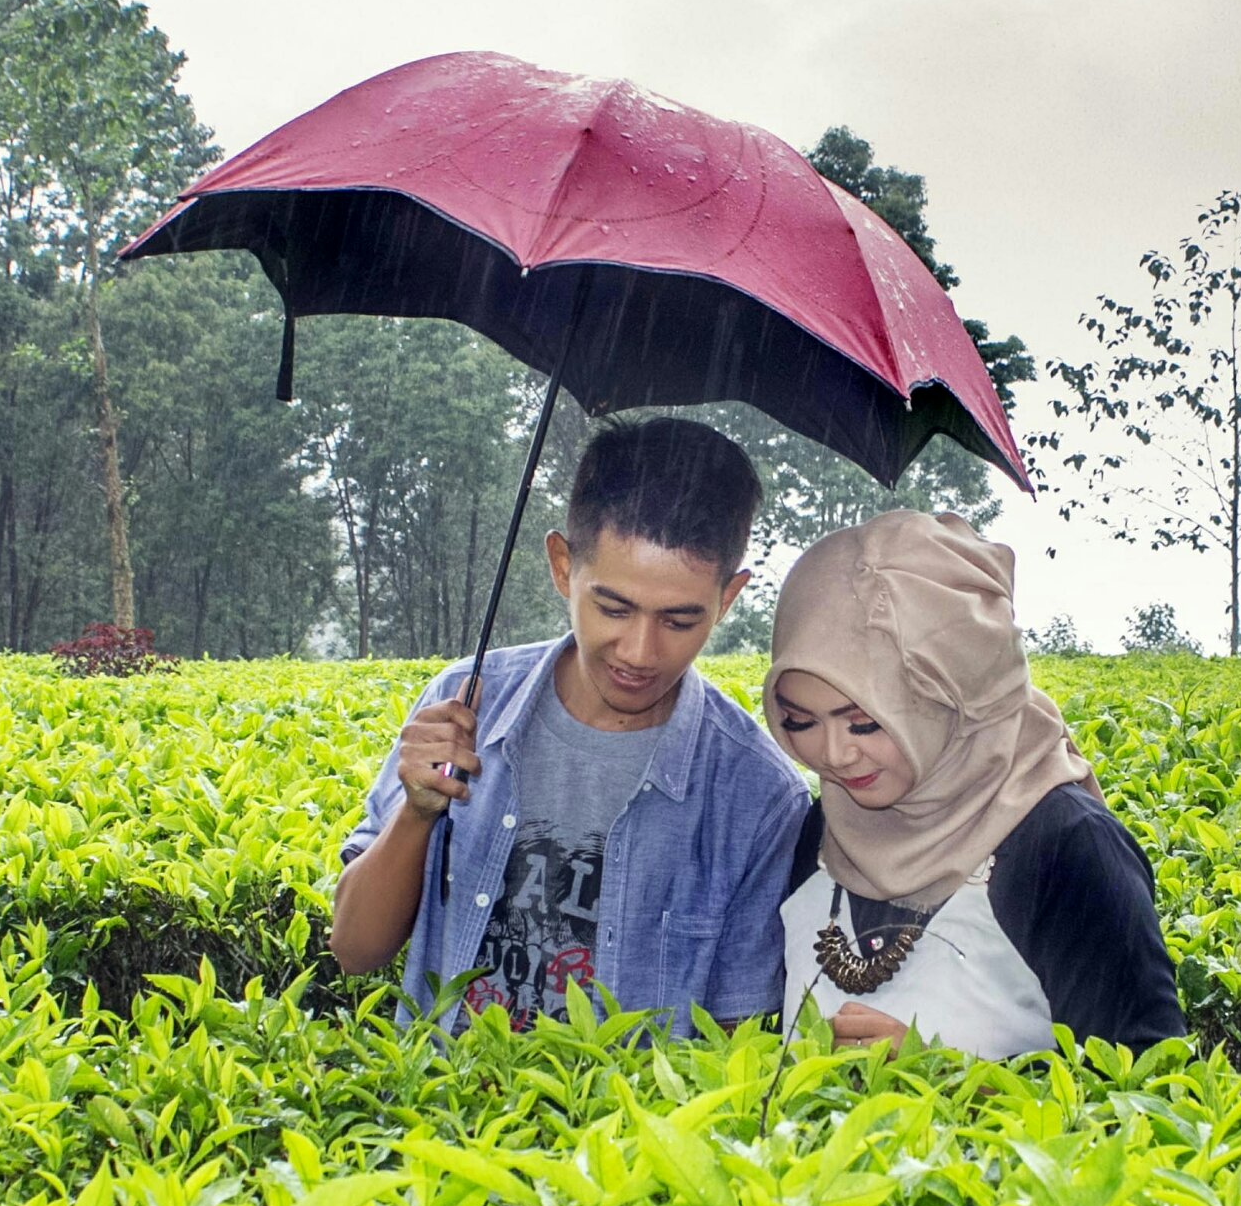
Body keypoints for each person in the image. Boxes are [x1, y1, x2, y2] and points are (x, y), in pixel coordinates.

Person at [331, 417, 806, 1035]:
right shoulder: (466, 703)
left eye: (679, 621)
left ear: (729, 598)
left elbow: (734, 1043)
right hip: (437, 1121)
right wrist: (417, 813)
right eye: (613, 607)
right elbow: (354, 950)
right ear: (562, 566)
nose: (638, 651)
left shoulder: (756, 793)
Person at [766, 509, 1185, 1057]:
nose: (834, 755)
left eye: (865, 721)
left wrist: (955, 1078)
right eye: (801, 722)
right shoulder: (824, 829)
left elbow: (1152, 1095)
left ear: (952, 697)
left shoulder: (1065, 845)